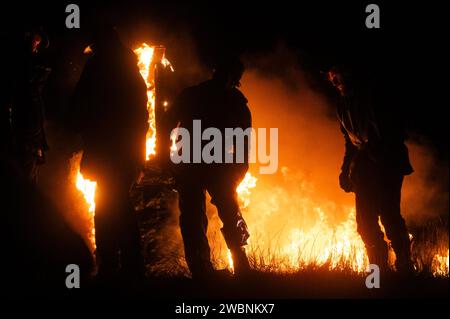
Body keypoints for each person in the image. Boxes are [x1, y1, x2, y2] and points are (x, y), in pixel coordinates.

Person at [71, 26, 147, 279]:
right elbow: (140, 118)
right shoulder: (130, 70)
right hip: (122, 151)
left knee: (110, 207)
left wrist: (78, 126)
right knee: (113, 205)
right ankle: (125, 266)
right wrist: (138, 156)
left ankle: (117, 266)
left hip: (108, 150)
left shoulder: (99, 68)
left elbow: (79, 103)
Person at [166, 56, 252, 280]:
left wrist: (240, 169)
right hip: (194, 163)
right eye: (230, 75)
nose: (230, 80)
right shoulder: (196, 96)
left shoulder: (234, 101)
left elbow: (244, 140)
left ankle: (236, 264)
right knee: (196, 217)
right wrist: (170, 158)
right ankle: (204, 268)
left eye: (234, 77)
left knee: (225, 213)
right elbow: (166, 125)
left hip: (213, 165)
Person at [328, 67, 414, 273]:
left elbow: (394, 131)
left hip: (388, 164)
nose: (339, 83)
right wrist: (346, 169)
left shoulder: (376, 98)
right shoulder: (342, 105)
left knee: (389, 215)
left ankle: (404, 264)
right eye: (335, 80)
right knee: (365, 221)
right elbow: (350, 142)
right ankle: (378, 268)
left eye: (343, 78)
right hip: (364, 168)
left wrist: (378, 152)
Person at [7, 28, 51, 184]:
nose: (36, 45)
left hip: (32, 123)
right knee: (25, 167)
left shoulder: (35, 68)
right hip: (24, 124)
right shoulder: (20, 68)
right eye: (35, 39)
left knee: (30, 168)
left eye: (38, 41)